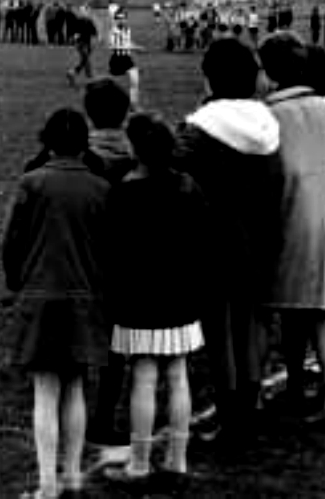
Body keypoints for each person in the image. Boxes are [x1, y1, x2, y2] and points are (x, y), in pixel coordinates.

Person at [174, 37, 282, 443]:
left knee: (219, 332)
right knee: (251, 323)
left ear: (211, 78)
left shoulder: (199, 129)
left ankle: (230, 412)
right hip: (262, 237)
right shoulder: (268, 124)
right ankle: (250, 403)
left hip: (215, 241)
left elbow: (178, 181)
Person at [2, 108, 111, 499]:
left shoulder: (31, 182)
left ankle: (48, 483)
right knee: (76, 386)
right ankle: (73, 475)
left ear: (47, 141)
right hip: (84, 298)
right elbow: (110, 250)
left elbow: (12, 243)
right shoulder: (101, 188)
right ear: (84, 143)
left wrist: (18, 282)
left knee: (46, 392)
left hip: (41, 297)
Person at [259, 32, 325, 427]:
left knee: (289, 312)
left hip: (294, 223)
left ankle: (288, 389)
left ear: (270, 74)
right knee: (323, 313)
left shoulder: (269, 115)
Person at [102, 114, 211, 488]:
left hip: (139, 296)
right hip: (180, 293)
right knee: (178, 375)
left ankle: (139, 464)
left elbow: (111, 250)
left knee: (145, 377)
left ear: (136, 149)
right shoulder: (188, 187)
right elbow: (203, 240)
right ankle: (177, 461)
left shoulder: (123, 192)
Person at [107, 9, 142, 108]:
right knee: (115, 86)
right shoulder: (113, 31)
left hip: (127, 59)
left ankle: (133, 105)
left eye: (123, 18)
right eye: (118, 18)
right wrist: (134, 48)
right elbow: (112, 46)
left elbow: (128, 42)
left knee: (135, 81)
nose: (121, 20)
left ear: (126, 19)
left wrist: (136, 46)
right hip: (117, 60)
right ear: (115, 20)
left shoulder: (128, 30)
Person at [66, 6, 98, 87]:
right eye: (83, 12)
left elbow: (94, 32)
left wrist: (95, 40)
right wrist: (74, 37)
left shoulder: (89, 21)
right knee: (86, 60)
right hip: (81, 43)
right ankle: (90, 78)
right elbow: (73, 32)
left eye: (86, 12)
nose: (85, 13)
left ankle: (72, 73)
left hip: (88, 43)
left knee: (84, 61)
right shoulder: (78, 21)